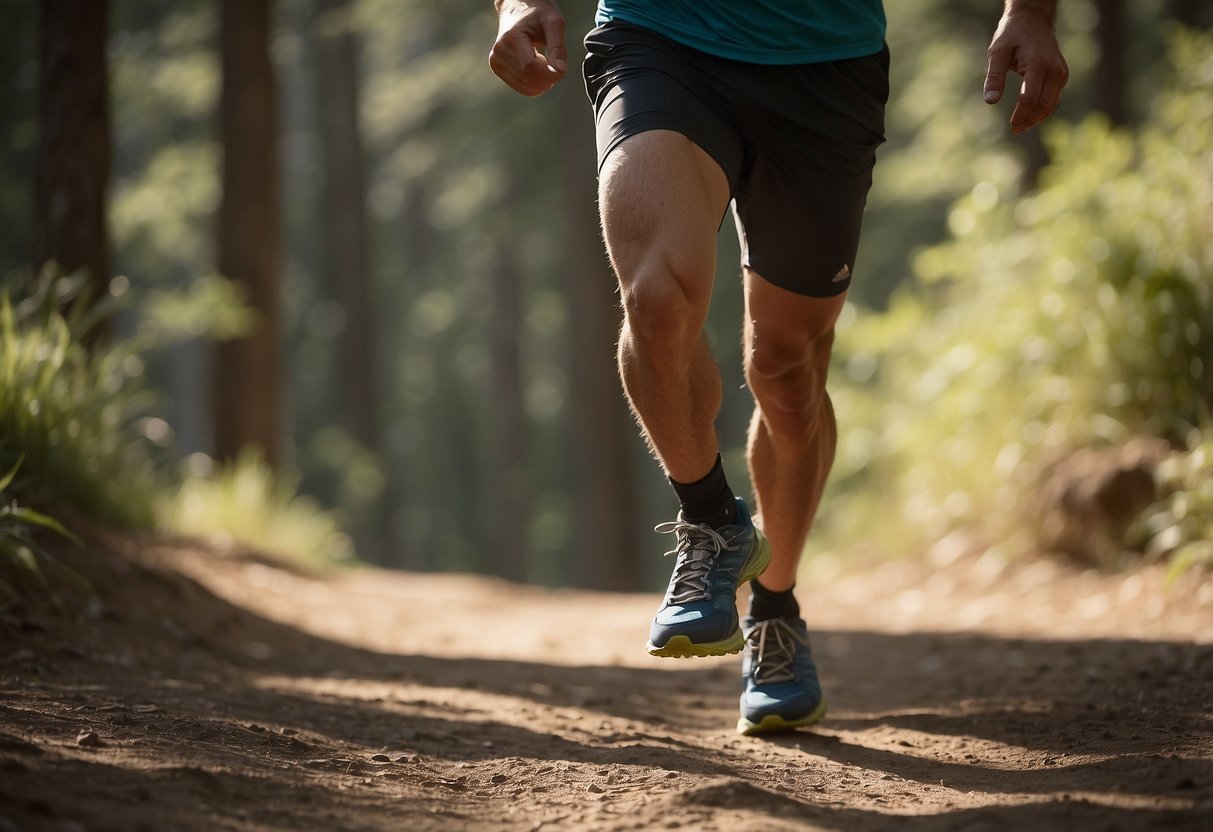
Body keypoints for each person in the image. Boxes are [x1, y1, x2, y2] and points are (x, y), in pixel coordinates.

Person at [489, 0, 1068, 735]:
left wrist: (1030, 12)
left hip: (823, 62)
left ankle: (774, 609)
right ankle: (709, 521)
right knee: (656, 299)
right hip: (658, 36)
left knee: (785, 371)